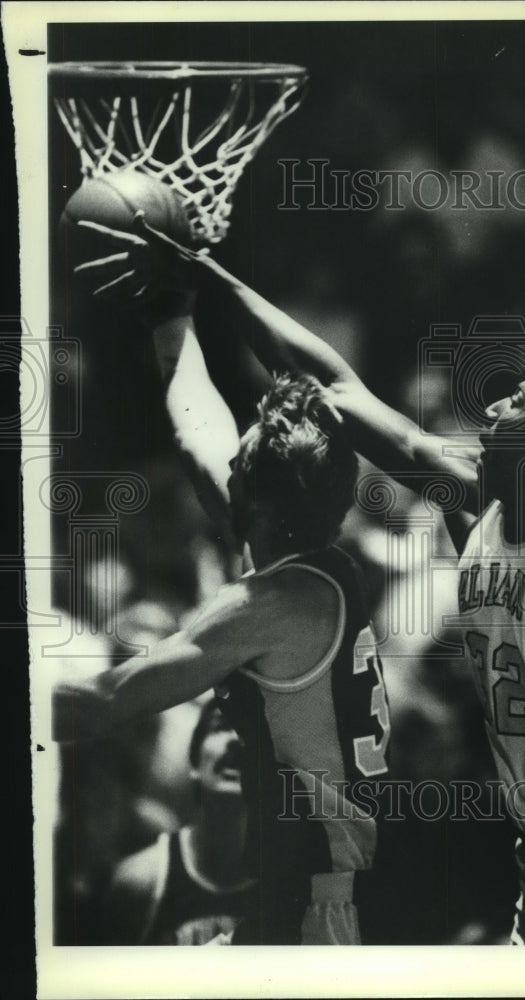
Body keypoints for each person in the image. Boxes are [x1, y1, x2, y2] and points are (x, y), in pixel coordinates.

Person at [83, 214, 525, 945]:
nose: (492, 403)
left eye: (521, 401)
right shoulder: (475, 502)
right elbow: (333, 384)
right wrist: (211, 277)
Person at [52, 225, 392, 945]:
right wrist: (169, 310)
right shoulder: (296, 548)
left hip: (319, 907)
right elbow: (194, 425)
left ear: (257, 501)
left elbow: (104, 705)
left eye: (236, 462)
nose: (223, 461)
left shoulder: (272, 604)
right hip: (298, 883)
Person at [104, 700, 259, 945]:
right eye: (221, 726)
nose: (235, 740)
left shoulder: (293, 885)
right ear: (194, 764)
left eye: (252, 732)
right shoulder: (139, 883)